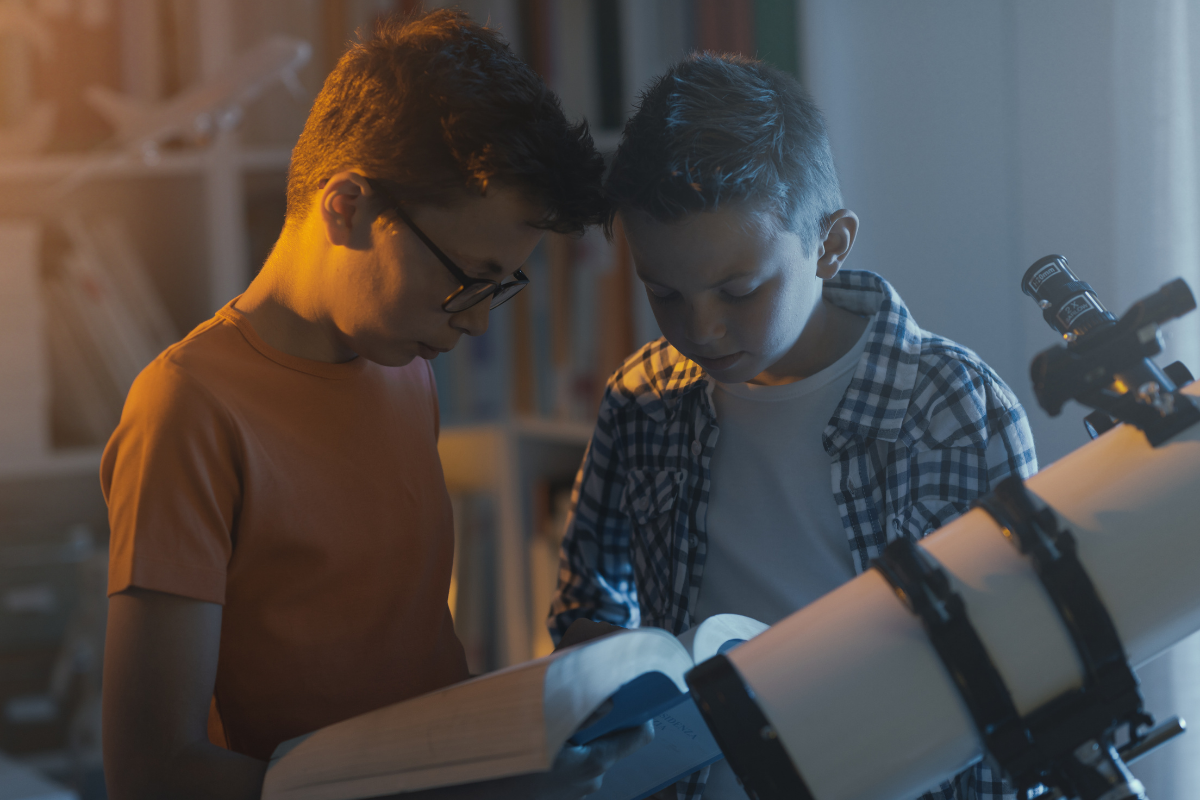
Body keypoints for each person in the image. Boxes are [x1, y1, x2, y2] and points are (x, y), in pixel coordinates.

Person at [101, 11, 650, 800]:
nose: (478, 321)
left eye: (502, 287)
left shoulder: (401, 364)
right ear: (348, 205)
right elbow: (151, 773)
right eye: (466, 279)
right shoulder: (188, 409)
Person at [549, 53, 1037, 800]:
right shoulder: (641, 397)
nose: (702, 328)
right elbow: (588, 602)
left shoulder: (951, 408)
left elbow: (1019, 662)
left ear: (831, 244)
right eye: (665, 294)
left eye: (738, 289)